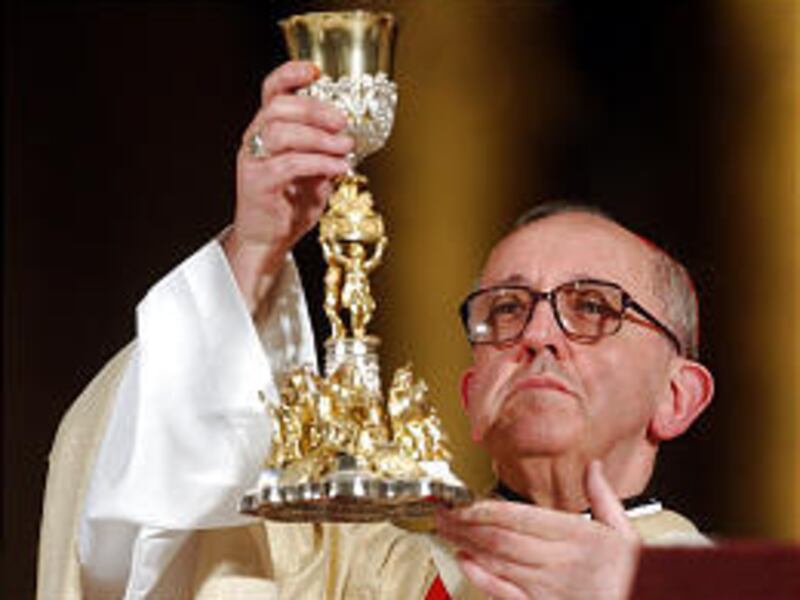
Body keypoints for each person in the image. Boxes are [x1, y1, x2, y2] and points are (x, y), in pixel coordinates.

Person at [37, 61, 714, 600]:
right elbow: (140, 516)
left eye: (593, 307)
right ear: (472, 395)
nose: (539, 332)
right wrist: (256, 246)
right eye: (506, 309)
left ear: (678, 397)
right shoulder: (360, 577)